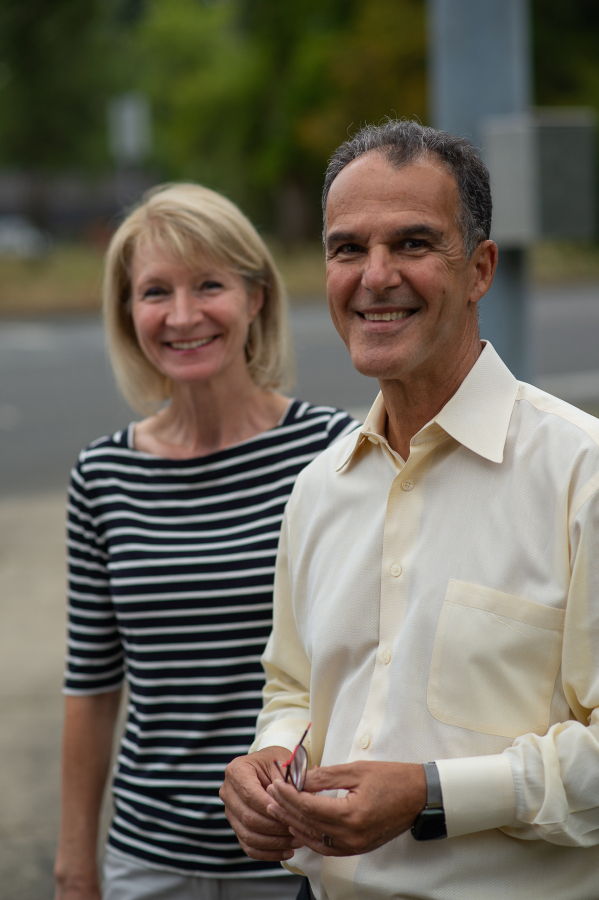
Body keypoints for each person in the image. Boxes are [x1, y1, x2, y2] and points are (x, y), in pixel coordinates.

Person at [220, 120, 599, 900]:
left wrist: (431, 793)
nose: (375, 276)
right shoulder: (320, 486)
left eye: (414, 244)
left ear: (479, 269)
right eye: (347, 248)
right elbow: (293, 687)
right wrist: (271, 760)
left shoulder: (580, 474)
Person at [53, 182, 358, 900]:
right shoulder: (103, 474)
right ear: (128, 314)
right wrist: (74, 870)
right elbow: (92, 689)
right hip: (146, 862)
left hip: (291, 857)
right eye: (155, 291)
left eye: (209, 286)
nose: (182, 316)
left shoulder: (330, 451)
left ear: (256, 299)